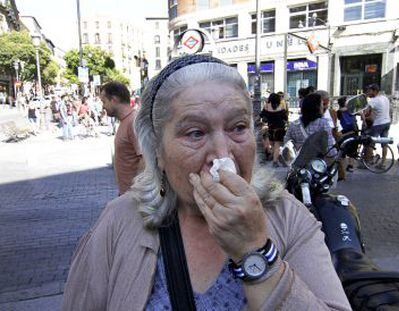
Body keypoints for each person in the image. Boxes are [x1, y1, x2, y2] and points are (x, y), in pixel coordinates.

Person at [62, 55, 350, 310]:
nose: (222, 155)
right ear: (158, 152)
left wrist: (256, 254)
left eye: (238, 128)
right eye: (195, 133)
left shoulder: (289, 217)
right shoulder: (119, 220)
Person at [100, 81, 144, 195]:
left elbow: (144, 159)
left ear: (114, 99)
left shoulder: (133, 122)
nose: (103, 106)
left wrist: (134, 191)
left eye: (104, 101)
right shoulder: (126, 121)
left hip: (134, 196)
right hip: (128, 195)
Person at [284, 93, 337, 158]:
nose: (323, 107)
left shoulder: (294, 124)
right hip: (316, 163)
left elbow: (286, 143)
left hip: (298, 162)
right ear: (317, 107)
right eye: (321, 104)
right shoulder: (323, 123)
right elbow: (329, 149)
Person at [260, 93, 288, 166]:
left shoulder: (266, 107)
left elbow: (262, 115)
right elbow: (285, 118)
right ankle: (275, 161)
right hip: (280, 128)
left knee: (272, 144)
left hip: (271, 128)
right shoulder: (281, 107)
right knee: (277, 145)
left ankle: (274, 157)